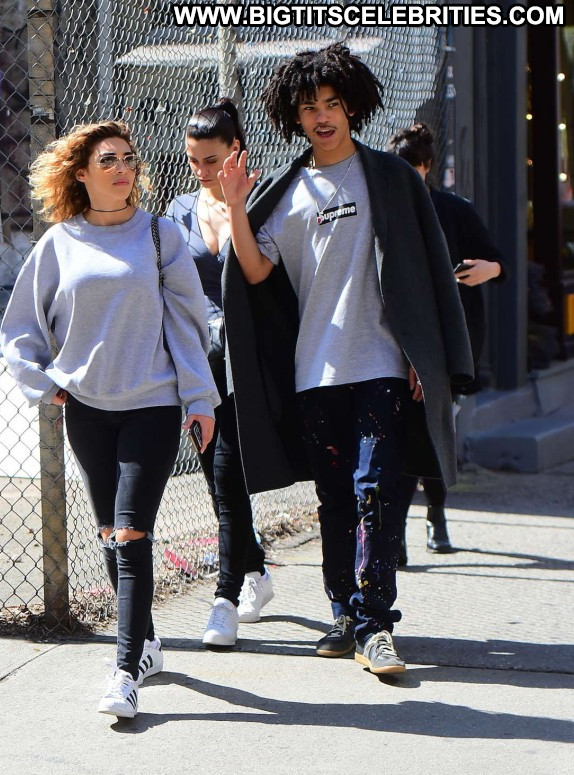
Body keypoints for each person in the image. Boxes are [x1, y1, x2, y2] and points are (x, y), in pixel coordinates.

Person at [219, 43, 473, 674]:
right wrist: (236, 205)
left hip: (382, 364)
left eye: (332, 103)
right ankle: (343, 612)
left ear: (352, 106)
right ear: (294, 116)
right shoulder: (288, 191)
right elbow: (255, 271)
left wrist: (425, 356)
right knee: (334, 495)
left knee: (374, 489)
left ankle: (375, 623)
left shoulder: (389, 177)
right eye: (310, 107)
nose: (323, 116)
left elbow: (425, 272)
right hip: (315, 372)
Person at [0, 120, 219, 718]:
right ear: (81, 173)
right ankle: (146, 644)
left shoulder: (160, 236)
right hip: (88, 410)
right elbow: (20, 325)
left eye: (128, 159)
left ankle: (124, 672)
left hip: (152, 404)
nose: (122, 169)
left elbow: (189, 324)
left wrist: (200, 399)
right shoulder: (59, 243)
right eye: (108, 160)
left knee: (130, 532)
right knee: (109, 534)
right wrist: (44, 382)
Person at [166, 99, 274, 647]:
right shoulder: (179, 210)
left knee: (229, 475)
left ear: (236, 150)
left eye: (212, 159)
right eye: (193, 160)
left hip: (249, 362)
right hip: (199, 365)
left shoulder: (262, 198)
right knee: (218, 479)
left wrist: (236, 206)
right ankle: (256, 570)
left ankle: (225, 598)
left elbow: (262, 278)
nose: (202, 171)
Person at [387, 122, 508, 560]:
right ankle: (399, 532)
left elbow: (498, 263)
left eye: (411, 169)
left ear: (426, 167)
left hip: (450, 342)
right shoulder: (385, 212)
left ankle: (433, 517)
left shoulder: (454, 210)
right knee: (405, 434)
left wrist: (483, 270)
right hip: (399, 342)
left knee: (434, 431)